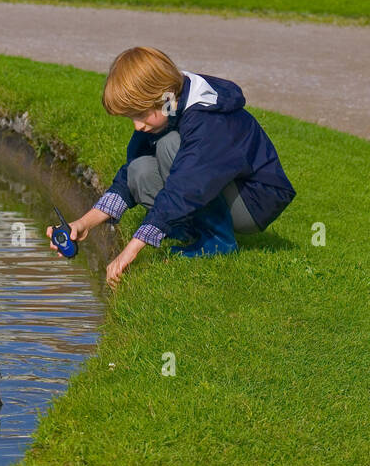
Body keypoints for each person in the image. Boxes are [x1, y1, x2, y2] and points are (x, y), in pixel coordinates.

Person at [47, 47, 296, 287]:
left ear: (163, 96)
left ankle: (217, 243)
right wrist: (83, 224)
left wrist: (131, 249)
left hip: (253, 200)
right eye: (131, 118)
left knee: (169, 146)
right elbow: (128, 178)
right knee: (139, 170)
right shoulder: (169, 105)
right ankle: (191, 233)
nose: (137, 126)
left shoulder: (206, 118)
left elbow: (187, 187)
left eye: (141, 115)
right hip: (220, 189)